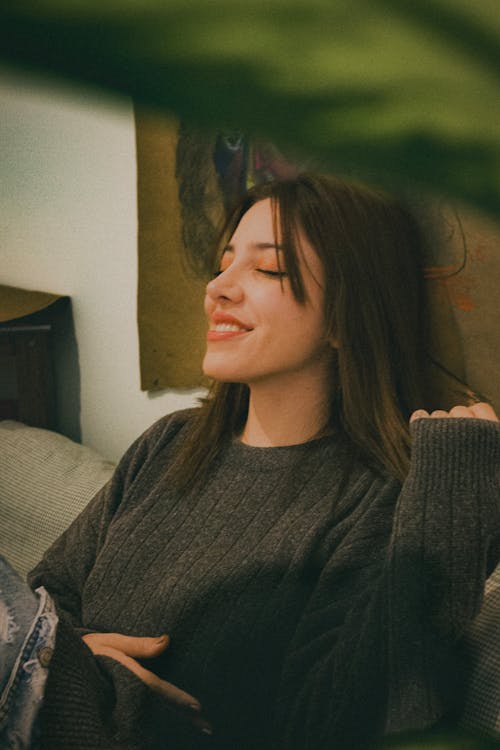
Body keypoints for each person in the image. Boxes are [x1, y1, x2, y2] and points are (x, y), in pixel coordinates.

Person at [0, 173, 499, 750]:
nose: (218, 289)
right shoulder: (171, 443)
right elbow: (42, 605)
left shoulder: (382, 497)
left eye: (267, 270)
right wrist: (81, 658)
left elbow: (355, 718)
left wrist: (456, 492)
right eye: (224, 262)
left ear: (344, 315)